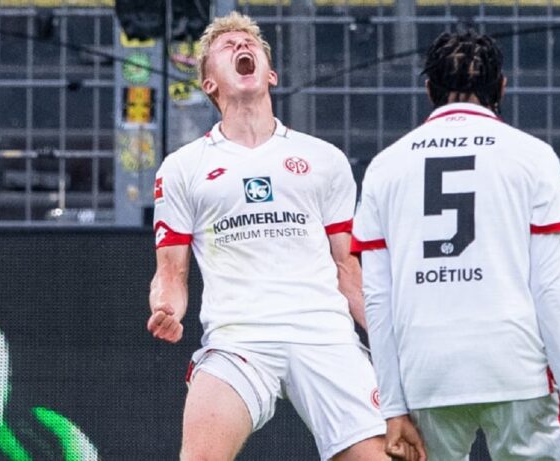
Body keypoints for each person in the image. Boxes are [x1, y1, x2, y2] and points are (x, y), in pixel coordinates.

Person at [352, 30, 560, 461]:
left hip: (426, 372)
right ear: (501, 87)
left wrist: (393, 407)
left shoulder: (385, 167)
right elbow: (550, 288)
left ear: (429, 90)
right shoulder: (533, 157)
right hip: (515, 367)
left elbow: (377, 298)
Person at [147, 11, 388, 461]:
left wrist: (390, 341)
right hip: (239, 338)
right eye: (228, 46)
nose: (242, 46)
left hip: (323, 334)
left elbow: (348, 269)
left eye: (250, 43)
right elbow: (171, 273)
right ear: (209, 83)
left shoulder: (324, 159)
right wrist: (167, 308)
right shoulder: (183, 168)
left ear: (270, 74)